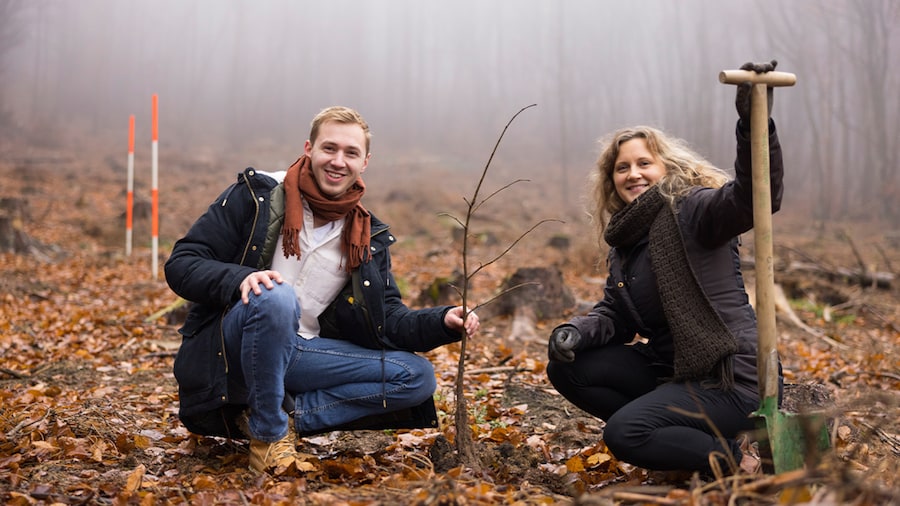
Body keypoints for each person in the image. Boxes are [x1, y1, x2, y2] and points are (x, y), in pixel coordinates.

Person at [165, 106, 479, 473]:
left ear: (365, 162)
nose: (338, 161)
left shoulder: (366, 235)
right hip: (233, 343)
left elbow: (388, 319)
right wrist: (238, 280)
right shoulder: (257, 195)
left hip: (301, 352)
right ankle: (268, 438)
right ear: (309, 148)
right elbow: (182, 262)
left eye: (351, 153)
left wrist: (443, 321)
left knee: (417, 376)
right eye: (329, 148)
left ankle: (288, 419)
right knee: (276, 296)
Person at [546, 61, 783, 476]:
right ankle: (683, 443)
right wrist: (575, 332)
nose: (633, 174)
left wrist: (752, 125)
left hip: (730, 379)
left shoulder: (693, 209)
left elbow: (753, 197)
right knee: (570, 367)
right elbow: (617, 315)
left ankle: (735, 461)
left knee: (625, 435)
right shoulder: (625, 241)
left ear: (666, 168)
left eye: (643, 164)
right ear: (611, 179)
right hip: (672, 371)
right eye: (622, 168)